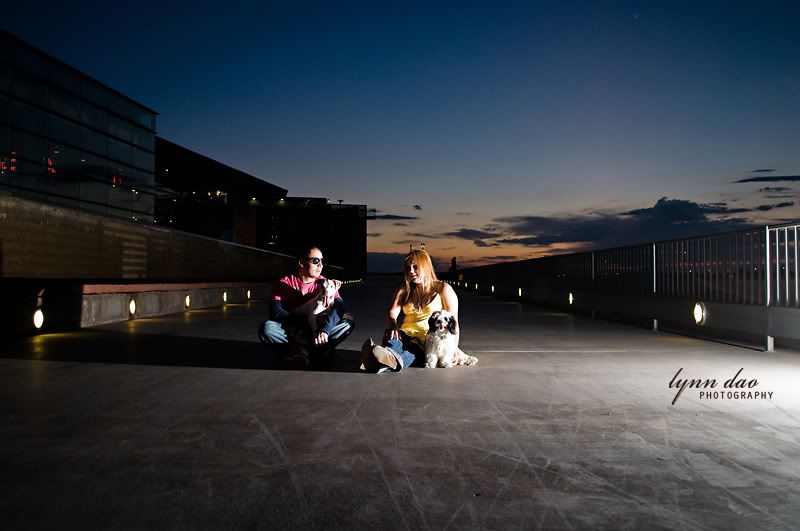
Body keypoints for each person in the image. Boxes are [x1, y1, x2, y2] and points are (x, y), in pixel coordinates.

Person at [360, 249, 463, 372]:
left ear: (426, 266)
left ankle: (379, 358)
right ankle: (384, 359)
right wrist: (393, 326)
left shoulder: (443, 289)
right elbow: (392, 312)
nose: (411, 271)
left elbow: (453, 322)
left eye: (415, 267)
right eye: (408, 268)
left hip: (425, 340)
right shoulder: (405, 290)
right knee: (394, 340)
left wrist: (453, 349)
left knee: (414, 352)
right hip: (404, 334)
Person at [258, 246, 354, 368]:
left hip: (318, 329)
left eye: (322, 261)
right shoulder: (284, 283)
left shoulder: (325, 283)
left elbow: (339, 307)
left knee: (348, 320)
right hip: (294, 329)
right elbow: (275, 312)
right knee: (267, 328)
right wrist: (306, 322)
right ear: (302, 262)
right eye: (315, 261)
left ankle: (303, 351)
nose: (320, 265)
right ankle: (311, 352)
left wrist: (325, 329)